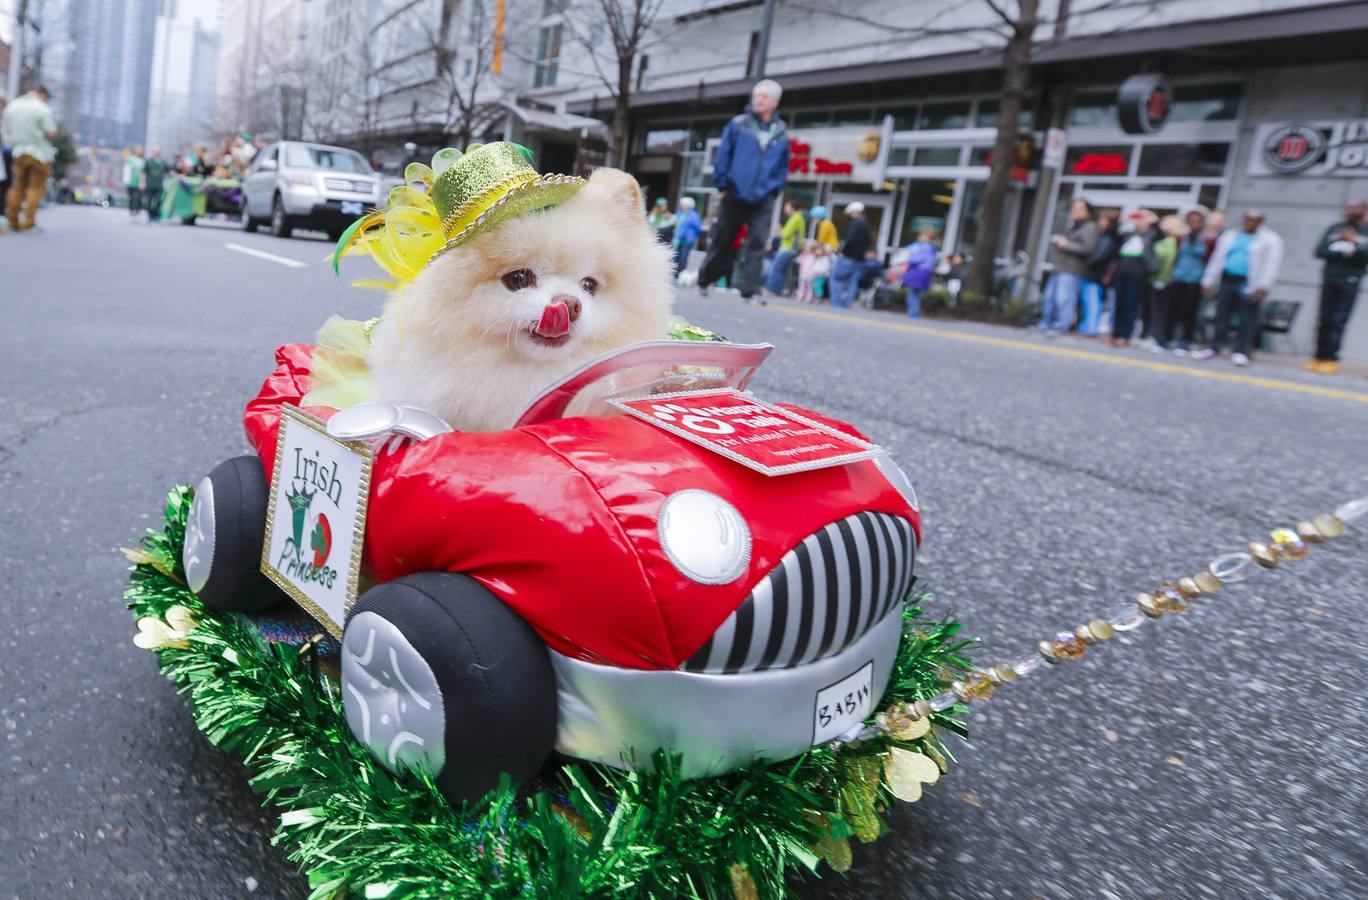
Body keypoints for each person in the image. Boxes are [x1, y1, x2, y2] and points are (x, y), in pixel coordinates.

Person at [696, 79, 790, 300]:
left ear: (775, 102)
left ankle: (750, 290)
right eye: (756, 95)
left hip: (763, 197)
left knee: (758, 243)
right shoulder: (739, 124)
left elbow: (783, 165)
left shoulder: (781, 131)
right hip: (735, 193)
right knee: (723, 239)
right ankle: (704, 280)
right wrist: (723, 184)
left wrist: (775, 189)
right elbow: (724, 155)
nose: (758, 100)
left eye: (764, 96)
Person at [1197, 210, 1284, 366]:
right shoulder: (1229, 236)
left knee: (1247, 318)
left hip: (1250, 283)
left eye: (1254, 220)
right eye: (1247, 219)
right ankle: (1215, 346)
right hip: (1227, 279)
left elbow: (1271, 264)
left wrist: (1263, 286)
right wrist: (1208, 281)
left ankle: (1242, 350)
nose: (1250, 222)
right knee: (1221, 315)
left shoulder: (1270, 239)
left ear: (1260, 222)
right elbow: (1217, 259)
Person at [1305, 200, 1367, 375]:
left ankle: (1331, 358)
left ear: (1363, 210)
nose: (1349, 210)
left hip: (1350, 280)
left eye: (1354, 208)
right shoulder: (1335, 228)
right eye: (1348, 207)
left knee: (1339, 320)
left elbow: (1365, 256)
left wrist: (1354, 242)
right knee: (1324, 318)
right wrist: (1342, 250)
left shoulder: (1365, 231)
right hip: (1330, 278)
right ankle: (1318, 356)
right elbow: (1320, 251)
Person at [1, 85, 58, 233]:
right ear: (42, 94)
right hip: (39, 153)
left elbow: (7, 130)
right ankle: (28, 222)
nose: (47, 100)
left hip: (18, 152)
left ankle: (12, 221)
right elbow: (51, 132)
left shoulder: (11, 107)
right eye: (47, 98)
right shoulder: (41, 108)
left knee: (17, 187)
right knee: (35, 188)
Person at [1038, 199, 1099, 335]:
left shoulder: (1090, 227)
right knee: (1050, 298)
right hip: (1060, 268)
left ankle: (1061, 326)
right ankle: (1046, 324)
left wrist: (1065, 244)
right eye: (1074, 208)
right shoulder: (1073, 226)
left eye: (1079, 208)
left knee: (1065, 299)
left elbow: (1088, 249)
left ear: (1087, 211)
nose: (1075, 211)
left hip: (1072, 270)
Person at [1161, 206, 1213, 355]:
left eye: (1198, 220)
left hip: (1195, 280)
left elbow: (1210, 259)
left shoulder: (1208, 239)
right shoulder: (1182, 237)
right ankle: (1167, 339)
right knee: (1172, 310)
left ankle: (1185, 341)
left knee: (1189, 312)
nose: (1194, 222)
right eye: (1191, 220)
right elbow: (1176, 256)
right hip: (1178, 277)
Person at [1111, 211, 1159, 347]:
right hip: (1122, 274)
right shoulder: (1128, 235)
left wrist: (1153, 221)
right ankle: (1116, 333)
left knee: (1130, 305)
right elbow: (1113, 233)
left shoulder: (1150, 235)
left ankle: (1125, 334)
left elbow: (1160, 234)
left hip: (1138, 276)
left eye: (1141, 221)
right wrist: (1122, 221)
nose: (1138, 224)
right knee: (1119, 304)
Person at [829, 202, 876, 309]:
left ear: (855, 211)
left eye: (851, 212)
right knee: (852, 281)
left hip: (848, 257)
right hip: (859, 259)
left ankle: (837, 304)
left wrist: (842, 250)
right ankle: (847, 304)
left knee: (836, 278)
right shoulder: (866, 224)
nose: (850, 215)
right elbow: (869, 241)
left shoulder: (856, 223)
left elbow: (850, 239)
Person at [1147, 214, 1183, 350]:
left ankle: (1158, 338)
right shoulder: (1165, 239)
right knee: (1155, 310)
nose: (1162, 224)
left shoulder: (1172, 241)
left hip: (1164, 281)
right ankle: (1154, 336)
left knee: (1161, 312)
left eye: (1165, 221)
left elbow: (1167, 261)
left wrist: (1163, 279)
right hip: (1159, 279)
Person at [1080, 212, 1119, 336]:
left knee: (1092, 301)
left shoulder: (1109, 237)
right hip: (1096, 274)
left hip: (1096, 274)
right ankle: (1087, 327)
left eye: (1103, 220)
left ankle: (1090, 328)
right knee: (1090, 301)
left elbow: (1099, 256)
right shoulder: (1104, 236)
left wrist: (1088, 263)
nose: (1100, 223)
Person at [764, 201, 805, 296]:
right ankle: (780, 290)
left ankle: (772, 290)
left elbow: (785, 234)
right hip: (791, 249)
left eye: (786, 206)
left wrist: (779, 230)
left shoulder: (796, 218)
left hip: (787, 248)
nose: (785, 208)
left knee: (776, 269)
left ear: (792, 207)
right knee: (784, 270)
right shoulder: (798, 218)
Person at [900, 228, 938, 318]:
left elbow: (917, 258)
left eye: (922, 235)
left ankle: (913, 313)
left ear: (928, 237)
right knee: (915, 293)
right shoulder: (929, 247)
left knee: (913, 293)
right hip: (922, 272)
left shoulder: (925, 247)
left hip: (918, 271)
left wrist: (907, 258)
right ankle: (913, 313)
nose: (920, 237)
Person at [671, 197, 702, 277]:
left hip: (687, 241)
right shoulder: (680, 213)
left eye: (683, 205)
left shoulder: (693, 215)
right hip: (678, 240)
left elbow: (698, 228)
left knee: (683, 258)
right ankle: (674, 274)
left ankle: (680, 274)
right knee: (676, 257)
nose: (681, 206)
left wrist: (692, 236)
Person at [143, 146, 169, 224]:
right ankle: (150, 216)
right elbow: (144, 172)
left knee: (158, 200)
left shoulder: (163, 162)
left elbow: (168, 171)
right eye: (155, 151)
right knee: (149, 201)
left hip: (159, 185)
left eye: (158, 151)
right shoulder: (148, 161)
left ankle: (155, 216)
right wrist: (142, 182)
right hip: (150, 184)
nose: (157, 153)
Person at [124, 146, 146, 219]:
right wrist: (126, 180)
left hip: (140, 182)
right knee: (131, 196)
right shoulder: (131, 159)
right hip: (131, 181)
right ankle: (131, 209)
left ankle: (137, 209)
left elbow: (145, 172)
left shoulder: (144, 160)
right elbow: (127, 169)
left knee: (138, 196)